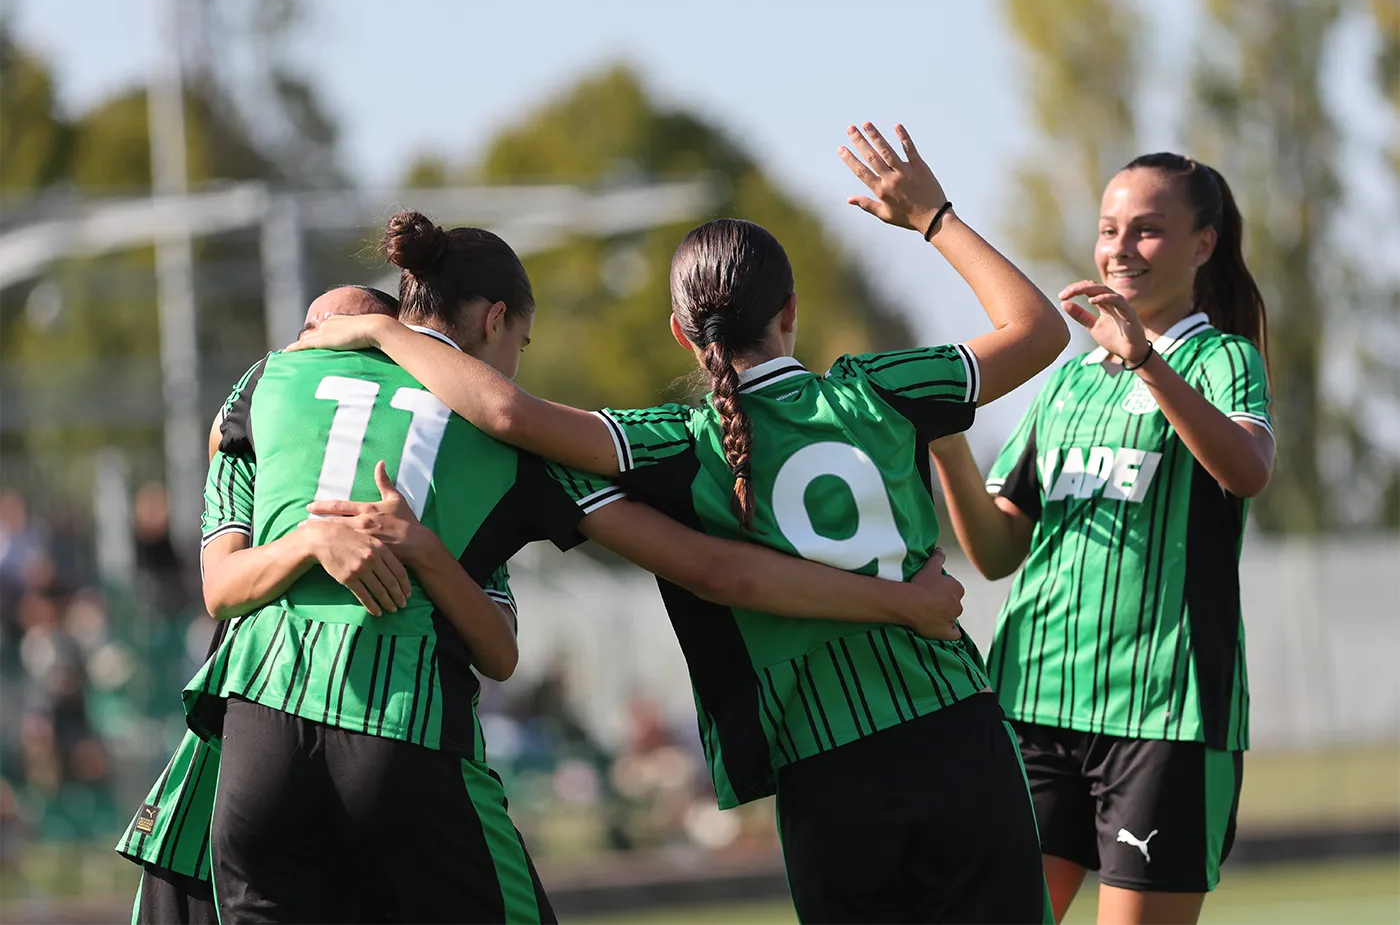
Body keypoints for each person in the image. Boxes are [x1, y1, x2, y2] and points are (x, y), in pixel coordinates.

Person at [290, 122, 1070, 925]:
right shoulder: (881, 387)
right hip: (960, 734)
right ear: (791, 311)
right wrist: (933, 217)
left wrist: (388, 330)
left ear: (680, 334)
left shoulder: (676, 446)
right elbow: (1041, 330)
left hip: (825, 766)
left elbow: (505, 409)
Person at [186, 211, 972, 925]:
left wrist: (315, 540)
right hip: (403, 737)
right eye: (519, 346)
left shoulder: (266, 381)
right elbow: (708, 566)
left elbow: (222, 578)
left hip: (251, 745)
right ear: (497, 322)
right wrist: (897, 601)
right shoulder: (513, 443)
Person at [927, 155, 1273, 925]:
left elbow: (1248, 470)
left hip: (1163, 716)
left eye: (1149, 231)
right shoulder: (1067, 382)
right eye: (1110, 228)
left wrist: (1145, 360)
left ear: (1204, 245)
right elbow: (996, 552)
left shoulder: (1223, 360)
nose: (1121, 248)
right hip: (1034, 705)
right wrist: (947, 441)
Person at [119, 286, 404, 925]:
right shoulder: (262, 421)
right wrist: (308, 540)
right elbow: (220, 587)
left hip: (381, 732)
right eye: (305, 330)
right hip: (252, 726)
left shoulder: (424, 452)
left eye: (326, 331)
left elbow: (501, 646)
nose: (306, 345)